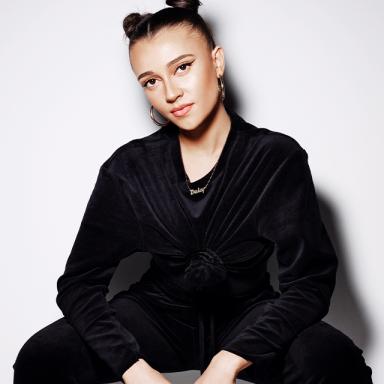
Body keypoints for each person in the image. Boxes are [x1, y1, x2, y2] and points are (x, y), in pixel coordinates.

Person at [13, 1, 374, 383]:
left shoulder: (276, 158)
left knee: (330, 359)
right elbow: (79, 284)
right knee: (43, 357)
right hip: (154, 317)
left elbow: (309, 283)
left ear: (216, 62)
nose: (170, 92)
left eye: (182, 67)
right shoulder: (129, 168)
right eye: (151, 81)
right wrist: (133, 370)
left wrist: (228, 361)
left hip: (248, 315)